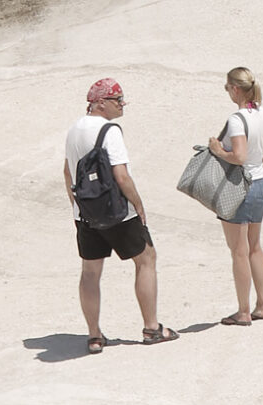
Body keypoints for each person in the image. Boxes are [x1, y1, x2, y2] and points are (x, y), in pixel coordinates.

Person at [63, 75, 178, 351]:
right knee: (146, 259)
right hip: (117, 212)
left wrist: (76, 206)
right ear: (101, 103)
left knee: (90, 272)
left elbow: (67, 172)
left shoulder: (74, 130)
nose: (122, 104)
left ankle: (94, 335)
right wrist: (138, 204)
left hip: (85, 213)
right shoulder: (109, 131)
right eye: (118, 99)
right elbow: (121, 176)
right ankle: (152, 328)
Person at [208, 64, 263, 326]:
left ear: (235, 89)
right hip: (260, 184)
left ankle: (243, 311)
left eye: (227, 87)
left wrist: (217, 150)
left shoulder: (237, 119)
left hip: (239, 188)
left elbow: (239, 156)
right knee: (255, 247)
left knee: (239, 251)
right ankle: (261, 305)